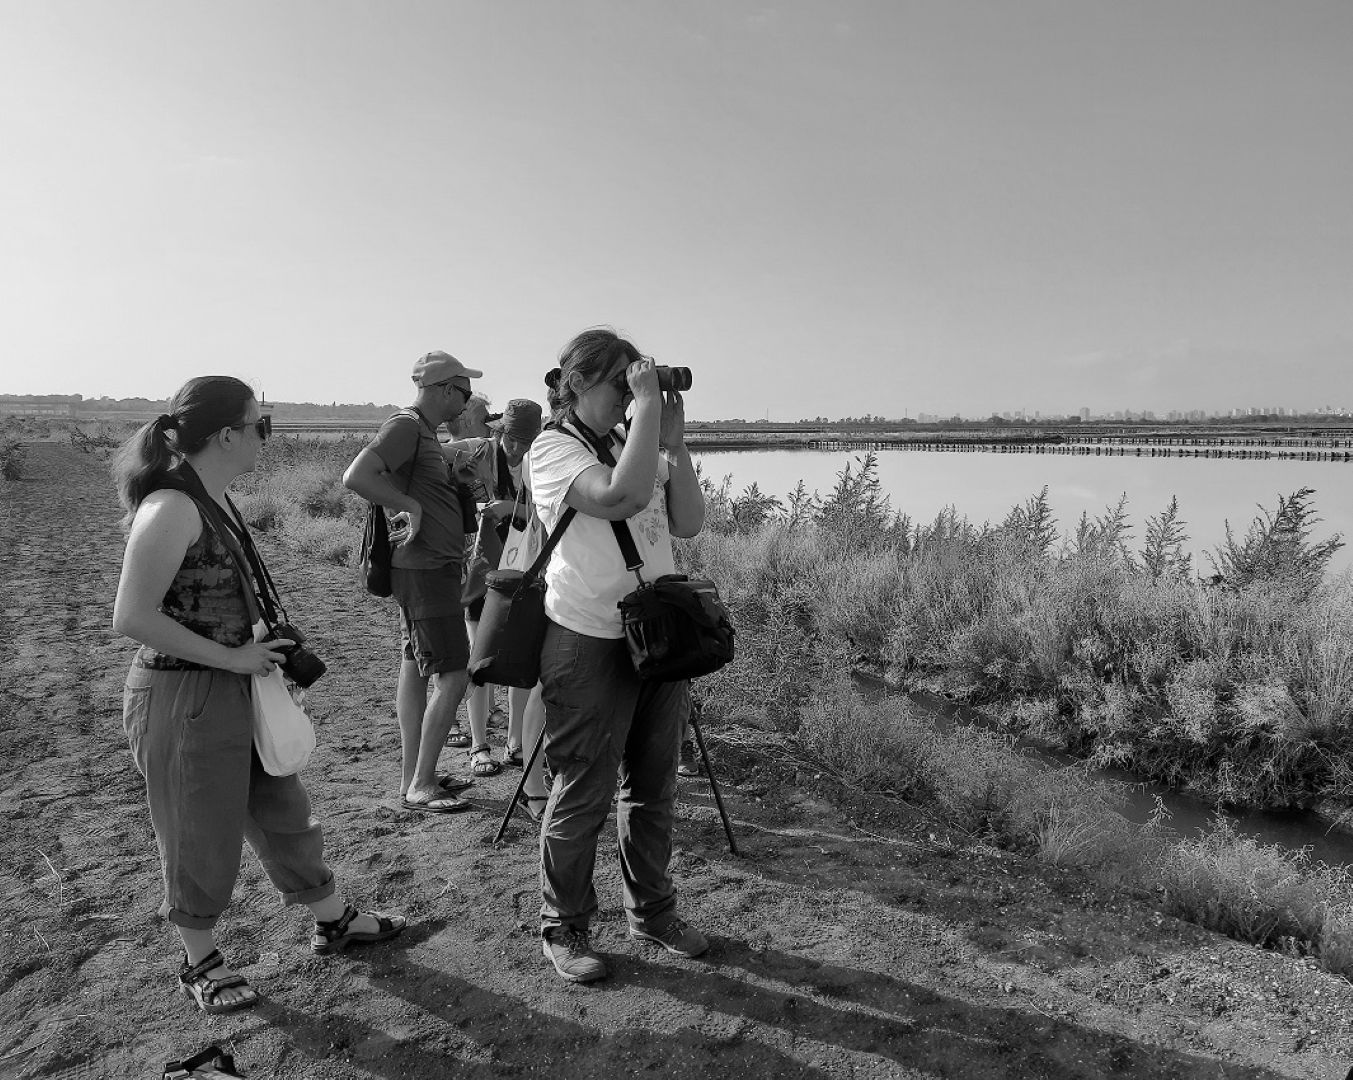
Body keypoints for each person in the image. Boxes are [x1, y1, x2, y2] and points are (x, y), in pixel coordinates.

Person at [111, 376, 406, 1015]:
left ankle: (332, 918)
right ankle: (201, 962)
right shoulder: (172, 508)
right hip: (184, 693)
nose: (265, 437)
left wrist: (255, 653)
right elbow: (130, 616)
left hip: (231, 683)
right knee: (198, 831)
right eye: (259, 424)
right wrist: (234, 656)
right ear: (225, 435)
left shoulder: (212, 497)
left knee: (282, 805)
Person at [525, 327, 708, 983]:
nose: (632, 394)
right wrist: (649, 417)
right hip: (587, 641)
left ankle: (651, 913)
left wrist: (674, 441)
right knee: (583, 793)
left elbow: (686, 520)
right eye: (620, 383)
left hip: (656, 641)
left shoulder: (630, 445)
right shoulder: (552, 450)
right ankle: (564, 927)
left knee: (653, 790)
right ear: (575, 384)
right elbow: (616, 497)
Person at [342, 351, 483, 813]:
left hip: (429, 567)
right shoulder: (405, 426)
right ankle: (422, 783)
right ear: (444, 389)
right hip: (423, 569)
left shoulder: (423, 432)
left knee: (415, 666)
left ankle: (413, 776)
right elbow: (357, 476)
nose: (465, 403)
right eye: (463, 393)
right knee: (453, 675)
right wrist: (413, 506)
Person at [448, 398, 545, 777]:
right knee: (480, 657)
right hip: (485, 570)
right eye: (511, 439)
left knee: (522, 656)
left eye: (525, 441)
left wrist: (513, 509)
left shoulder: (543, 459)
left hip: (528, 570)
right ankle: (478, 745)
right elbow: (434, 458)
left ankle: (516, 743)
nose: (517, 448)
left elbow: (551, 513)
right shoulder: (481, 453)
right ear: (499, 430)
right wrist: (462, 485)